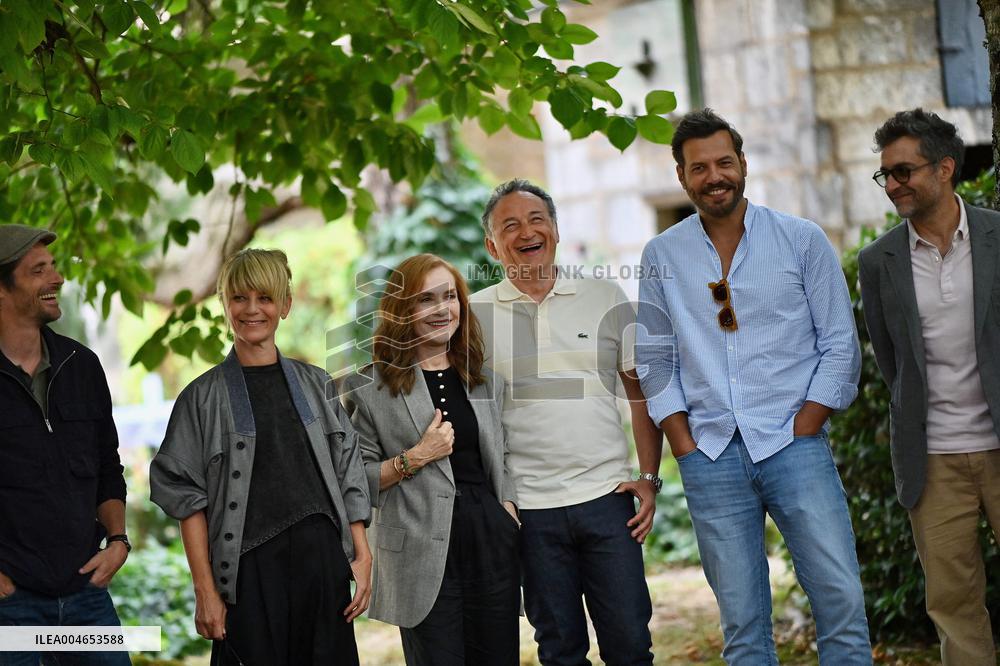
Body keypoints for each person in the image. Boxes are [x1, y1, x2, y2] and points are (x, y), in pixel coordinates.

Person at [636, 109, 871, 665]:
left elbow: (840, 343)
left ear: (743, 163)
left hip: (795, 445)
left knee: (840, 601)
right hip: (710, 455)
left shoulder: (800, 240)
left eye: (724, 162)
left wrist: (806, 425)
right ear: (681, 176)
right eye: (699, 168)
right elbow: (654, 358)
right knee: (742, 625)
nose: (714, 176)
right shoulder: (661, 255)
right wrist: (683, 444)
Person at [470, 180, 662, 665]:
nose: (527, 232)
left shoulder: (604, 295)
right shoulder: (473, 316)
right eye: (510, 225)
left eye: (537, 220)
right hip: (529, 512)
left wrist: (649, 477)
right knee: (559, 652)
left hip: (608, 500)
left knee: (631, 646)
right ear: (492, 246)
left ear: (555, 230)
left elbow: (639, 393)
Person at [149, 248, 372, 666]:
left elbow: (349, 469)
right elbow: (185, 498)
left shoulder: (317, 384)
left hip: (322, 568)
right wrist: (205, 590)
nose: (252, 309)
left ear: (285, 306)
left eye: (265, 298)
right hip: (248, 576)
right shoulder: (201, 398)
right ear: (225, 304)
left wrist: (362, 554)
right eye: (240, 297)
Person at [858, 108, 1000, 666]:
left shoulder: (996, 235)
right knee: (952, 603)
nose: (893, 185)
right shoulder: (878, 262)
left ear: (944, 168)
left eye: (904, 171)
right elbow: (893, 363)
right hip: (933, 460)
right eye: (886, 175)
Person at [341, 254, 519, 666]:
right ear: (402, 310)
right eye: (426, 299)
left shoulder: (484, 380)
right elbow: (356, 479)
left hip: (490, 541)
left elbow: (502, 455)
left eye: (449, 297)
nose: (442, 309)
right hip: (419, 549)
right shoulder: (369, 387)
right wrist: (416, 457)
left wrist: (508, 510)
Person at [0, 224, 131, 666]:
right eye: (38, 271)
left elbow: (107, 466)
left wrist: (118, 541)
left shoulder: (83, 366)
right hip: (10, 604)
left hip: (85, 596)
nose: (56, 279)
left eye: (53, 267)